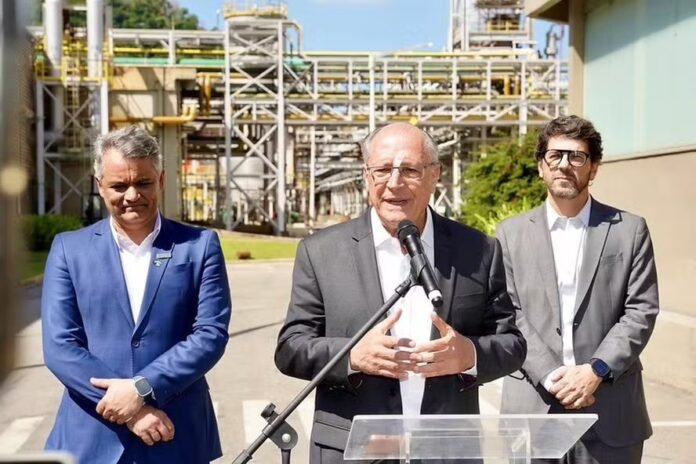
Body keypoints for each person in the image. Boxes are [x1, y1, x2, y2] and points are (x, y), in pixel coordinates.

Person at [275, 122, 526, 463]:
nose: (394, 183)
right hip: (352, 451)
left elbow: (512, 343)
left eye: (409, 169)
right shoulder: (320, 252)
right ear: (366, 176)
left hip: (447, 452)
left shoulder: (479, 250)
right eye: (382, 170)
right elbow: (291, 348)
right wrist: (352, 357)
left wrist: (469, 354)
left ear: (435, 175)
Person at [41, 125, 232, 464]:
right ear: (100, 185)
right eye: (119, 185)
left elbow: (210, 335)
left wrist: (143, 388)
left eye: (143, 183)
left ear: (161, 180)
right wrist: (132, 409)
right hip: (91, 436)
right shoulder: (69, 250)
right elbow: (60, 346)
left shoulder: (199, 246)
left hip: (175, 433)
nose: (132, 195)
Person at [497, 115, 659, 463]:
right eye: (555, 155)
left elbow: (641, 311)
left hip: (610, 409)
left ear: (594, 167)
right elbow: (508, 312)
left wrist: (596, 370)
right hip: (533, 407)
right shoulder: (509, 234)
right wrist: (551, 375)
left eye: (577, 156)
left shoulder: (629, 230)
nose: (564, 165)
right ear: (541, 166)